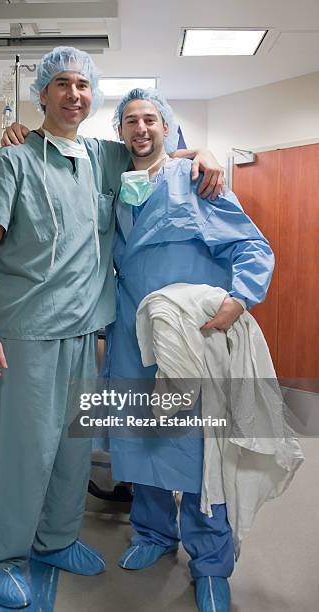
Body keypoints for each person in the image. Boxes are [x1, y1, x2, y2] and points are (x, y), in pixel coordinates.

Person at [0, 47, 223, 609]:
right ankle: (1, 556)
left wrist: (201, 153)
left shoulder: (103, 157)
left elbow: (156, 149)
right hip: (26, 333)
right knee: (23, 453)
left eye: (83, 84)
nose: (73, 94)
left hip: (87, 331)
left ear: (93, 95)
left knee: (72, 451)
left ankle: (56, 540)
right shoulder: (12, 161)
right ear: (43, 93)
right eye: (61, 83)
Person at [98, 88, 275, 612]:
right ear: (120, 131)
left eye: (150, 118)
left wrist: (239, 298)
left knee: (202, 452)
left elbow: (251, 245)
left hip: (191, 340)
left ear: (167, 125)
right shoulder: (119, 189)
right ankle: (153, 534)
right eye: (130, 120)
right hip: (134, 338)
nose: (141, 128)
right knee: (144, 441)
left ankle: (211, 562)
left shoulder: (197, 180)